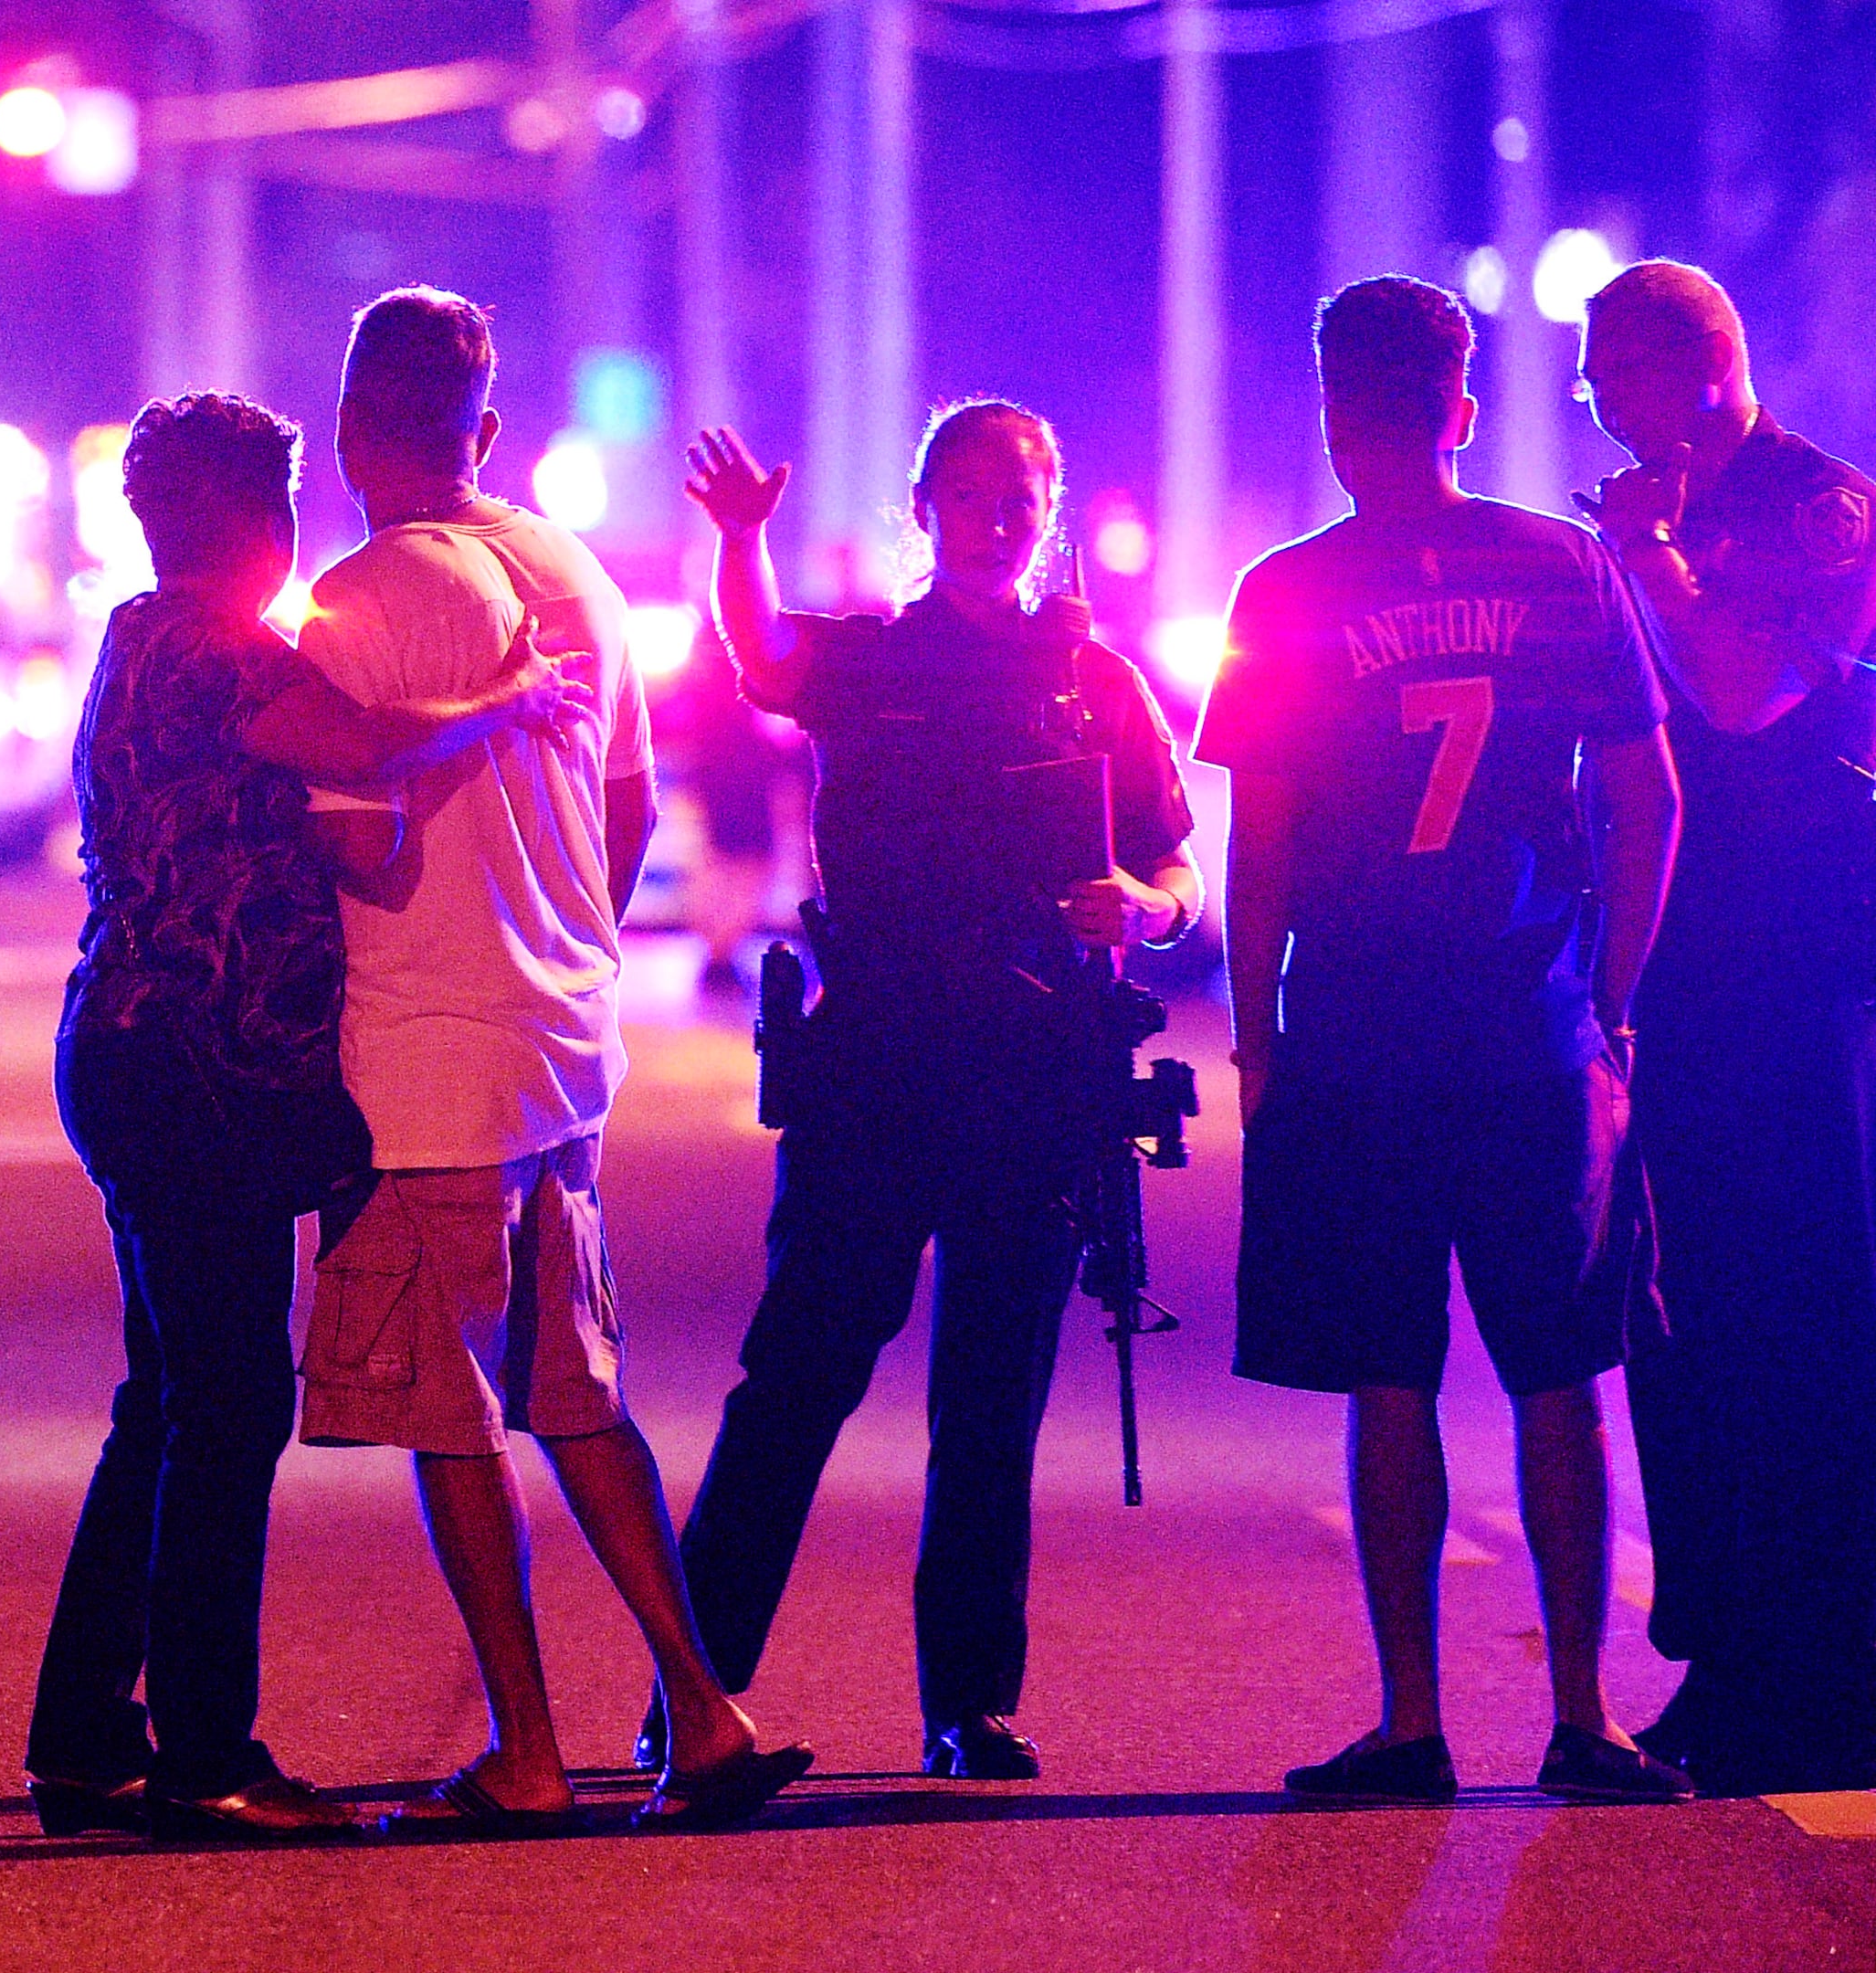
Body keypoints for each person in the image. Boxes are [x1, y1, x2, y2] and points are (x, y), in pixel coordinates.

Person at [26, 391, 591, 1843]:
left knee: (164, 1403)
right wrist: (513, 700)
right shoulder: (217, 653)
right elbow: (363, 741)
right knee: (226, 1408)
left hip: (136, 1056)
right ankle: (206, 1756)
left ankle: (86, 1734)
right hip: (193, 1075)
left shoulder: (136, 634)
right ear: (258, 522)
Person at [290, 287, 809, 1837]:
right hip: (567, 1044)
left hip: (424, 1055)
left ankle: (525, 1749)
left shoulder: (357, 599)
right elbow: (632, 809)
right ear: (488, 432)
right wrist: (559, 915)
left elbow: (346, 839)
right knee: (579, 1389)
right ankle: (701, 1711)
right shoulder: (577, 575)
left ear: (346, 432)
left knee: (451, 1414)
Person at [662, 401, 1205, 1782]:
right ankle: (692, 1690)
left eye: (1025, 485)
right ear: (926, 506)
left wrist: (1138, 908)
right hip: (879, 1065)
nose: (1001, 508)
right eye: (971, 488)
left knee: (991, 1403)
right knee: (797, 1378)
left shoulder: (1097, 677)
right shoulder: (876, 660)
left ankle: (968, 1705)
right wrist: (741, 540)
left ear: (1055, 502)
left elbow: (1176, 873)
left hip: (1035, 1077)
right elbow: (763, 658)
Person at [1200, 275, 1689, 1804]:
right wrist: (1606, 1002)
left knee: (1386, 1380)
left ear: (1339, 419)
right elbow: (1650, 795)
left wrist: (1257, 1031)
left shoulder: (1281, 592)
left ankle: (1412, 1724)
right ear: (1463, 410)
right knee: (1562, 1378)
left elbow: (1257, 836)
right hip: (1529, 1030)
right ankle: (1587, 1723)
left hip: (1354, 1033)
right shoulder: (1563, 565)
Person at [1576, 258, 1876, 1796]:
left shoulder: (1817, 509)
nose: (1602, 414)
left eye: (1611, 380)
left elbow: (1752, 697)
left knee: (1805, 1316)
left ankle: (1830, 1672)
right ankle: (1726, 1650)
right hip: (1677, 971)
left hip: (1804, 973)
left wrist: (1661, 568)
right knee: (1678, 1321)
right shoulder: (1648, 527)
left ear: (1697, 368)